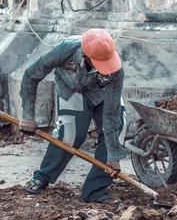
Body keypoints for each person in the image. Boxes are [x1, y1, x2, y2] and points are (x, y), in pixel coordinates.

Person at [18, 28, 127, 204]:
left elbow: (111, 113)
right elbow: (31, 75)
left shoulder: (115, 69)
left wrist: (113, 155)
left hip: (103, 94)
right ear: (85, 56)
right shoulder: (65, 49)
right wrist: (28, 115)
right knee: (70, 134)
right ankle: (42, 177)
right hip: (72, 90)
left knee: (118, 127)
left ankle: (95, 191)